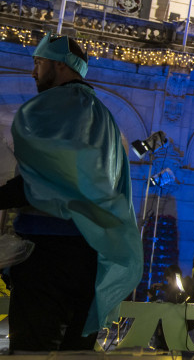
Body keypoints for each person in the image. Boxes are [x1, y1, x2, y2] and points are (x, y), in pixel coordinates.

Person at [0, 34, 143, 351]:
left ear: (60, 65)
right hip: (92, 254)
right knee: (74, 351)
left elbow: (43, 180)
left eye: (38, 63)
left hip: (48, 256)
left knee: (32, 350)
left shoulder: (56, 106)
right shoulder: (103, 114)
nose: (33, 72)